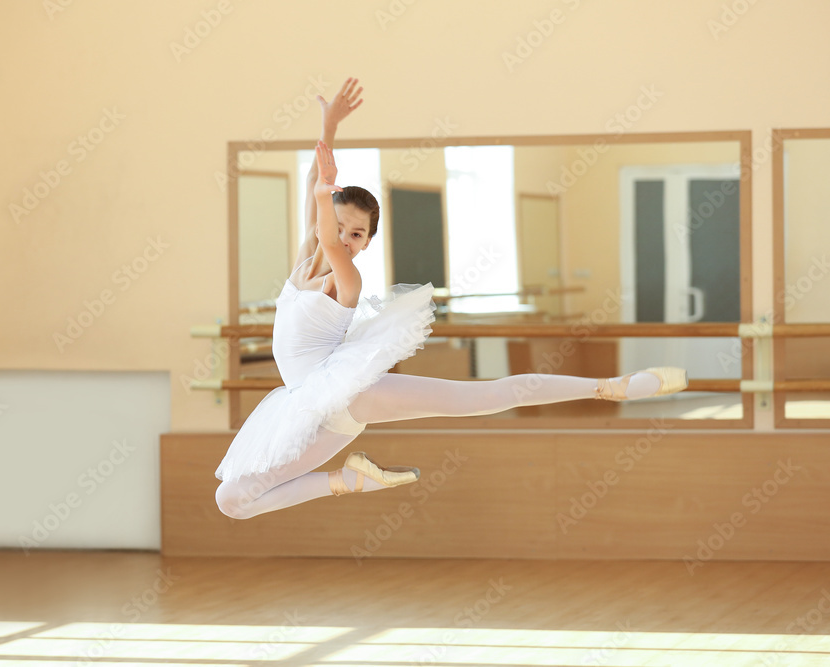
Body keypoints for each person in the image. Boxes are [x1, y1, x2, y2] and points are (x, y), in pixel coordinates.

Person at [214, 78, 687, 520]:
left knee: (484, 396)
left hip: (347, 398)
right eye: (340, 226)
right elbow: (315, 213)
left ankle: (609, 386)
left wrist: (324, 197)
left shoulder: (346, 278)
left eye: (358, 234)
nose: (346, 237)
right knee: (231, 499)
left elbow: (327, 234)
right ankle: (347, 480)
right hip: (306, 408)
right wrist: (328, 129)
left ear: (365, 243)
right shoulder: (304, 266)